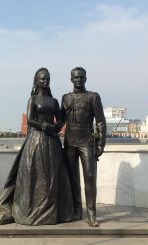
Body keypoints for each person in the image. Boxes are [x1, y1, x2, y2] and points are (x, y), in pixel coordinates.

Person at [0, 68, 80, 225]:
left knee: (53, 175)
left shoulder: (54, 101)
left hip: (52, 142)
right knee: (37, 174)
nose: (45, 81)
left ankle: (54, 210)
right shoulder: (33, 100)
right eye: (43, 79)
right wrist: (43, 127)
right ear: (37, 81)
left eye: (47, 78)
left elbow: (60, 120)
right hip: (36, 140)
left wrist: (55, 127)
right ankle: (33, 207)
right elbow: (29, 119)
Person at [60, 67, 106, 227]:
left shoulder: (93, 97)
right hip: (70, 143)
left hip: (87, 141)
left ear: (86, 78)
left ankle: (92, 214)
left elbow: (100, 121)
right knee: (72, 179)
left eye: (81, 77)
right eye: (76, 77)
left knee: (90, 177)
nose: (78, 79)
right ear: (71, 79)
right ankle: (76, 210)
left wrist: (101, 143)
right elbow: (60, 121)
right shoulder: (65, 98)